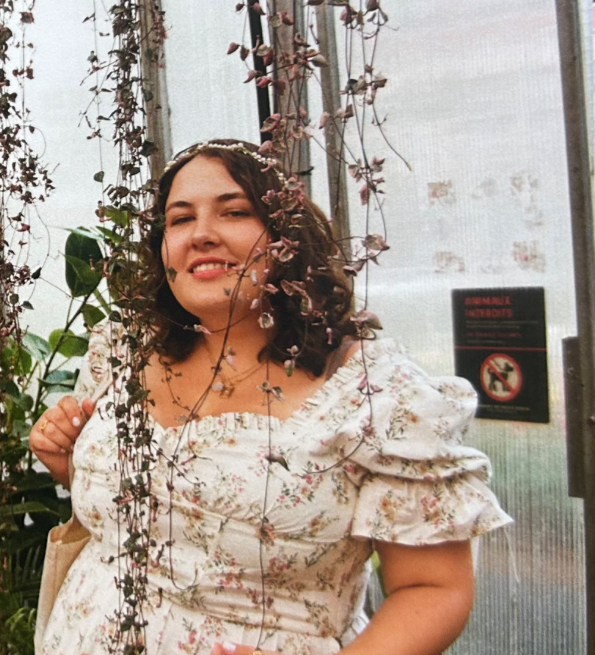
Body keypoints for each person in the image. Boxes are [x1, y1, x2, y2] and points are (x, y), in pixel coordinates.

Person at [28, 140, 511, 655]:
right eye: (180, 219)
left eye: (235, 212)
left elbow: (433, 588)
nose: (201, 234)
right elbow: (159, 515)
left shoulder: (374, 394)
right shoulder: (123, 353)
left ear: (289, 238)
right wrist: (71, 463)